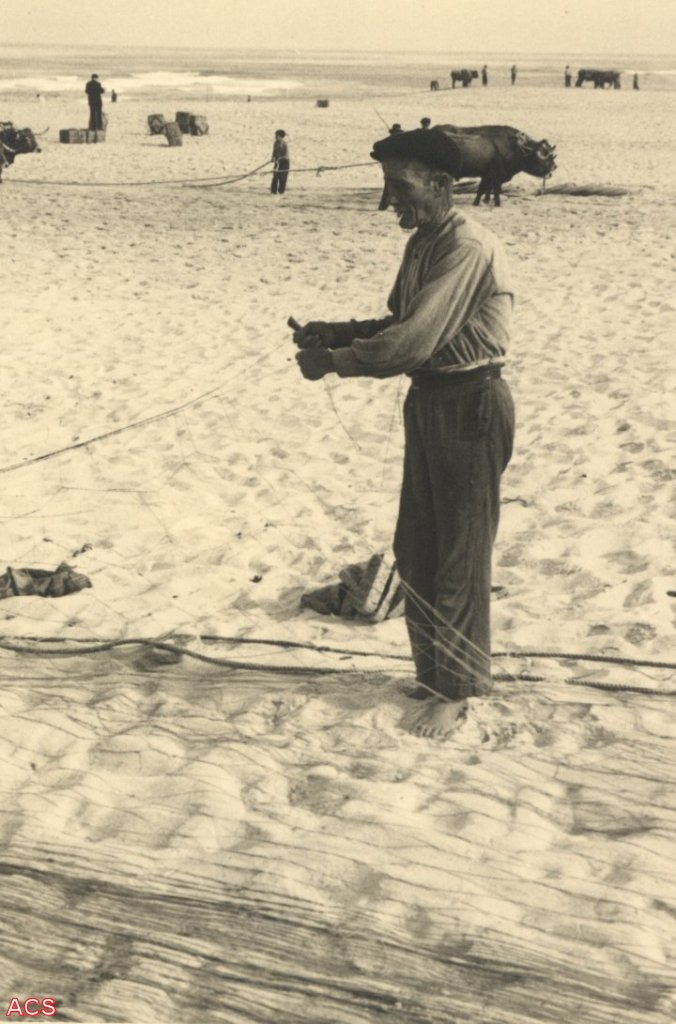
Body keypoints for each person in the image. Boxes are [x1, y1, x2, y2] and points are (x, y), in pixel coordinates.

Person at [293, 128, 515, 739]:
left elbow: (410, 343)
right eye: (387, 185)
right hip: (430, 401)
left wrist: (334, 362)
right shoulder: (423, 242)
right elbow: (398, 322)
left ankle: (457, 691)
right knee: (416, 548)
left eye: (400, 185)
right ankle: (434, 675)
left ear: (441, 185)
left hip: (471, 406)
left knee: (459, 554)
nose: (390, 198)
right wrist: (337, 332)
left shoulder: (467, 247)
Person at [378, 122, 404, 210]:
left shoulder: (390, 142)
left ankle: (385, 206)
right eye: (396, 132)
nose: (397, 134)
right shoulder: (389, 142)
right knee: (389, 186)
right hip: (391, 167)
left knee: (393, 186)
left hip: (394, 167)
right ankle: (384, 206)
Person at [271, 129, 290, 195]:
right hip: (277, 162)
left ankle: (281, 191)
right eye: (275, 135)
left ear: (280, 136)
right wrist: (273, 158)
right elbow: (274, 152)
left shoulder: (284, 144)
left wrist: (279, 158)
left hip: (284, 162)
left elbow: (286, 155)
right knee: (275, 176)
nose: (275, 137)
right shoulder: (275, 143)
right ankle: (273, 191)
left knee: (282, 177)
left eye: (277, 136)